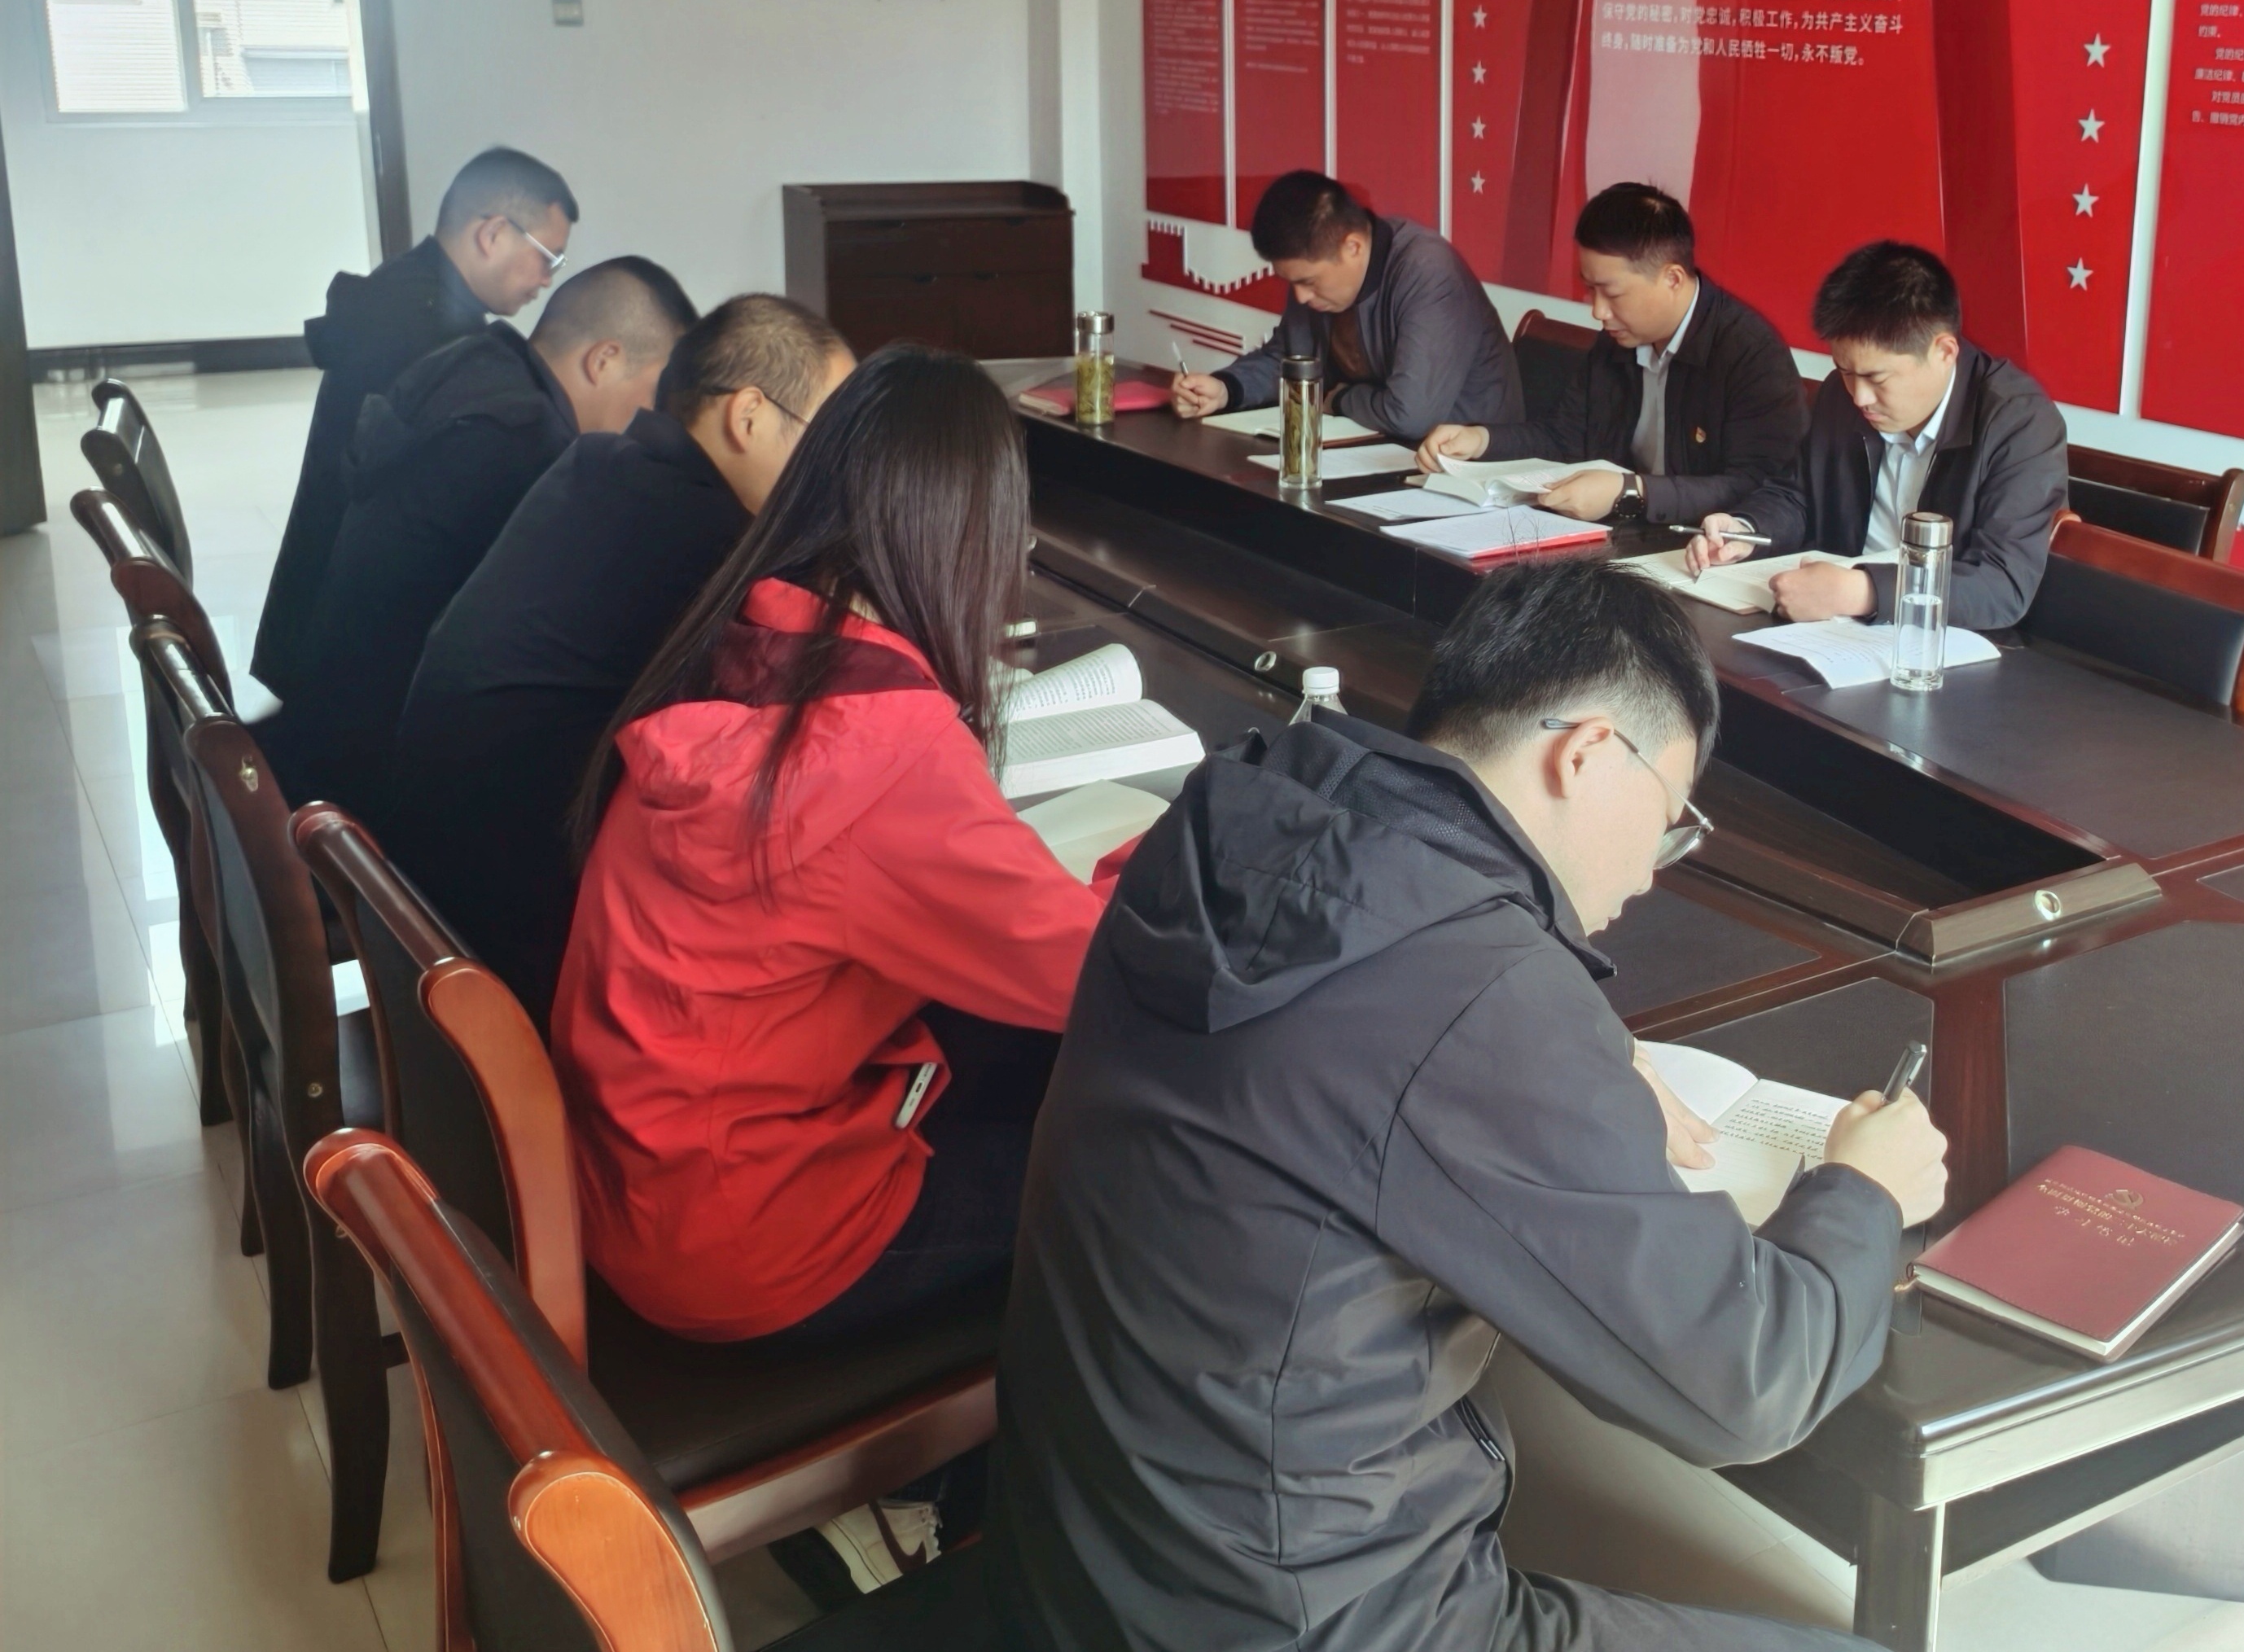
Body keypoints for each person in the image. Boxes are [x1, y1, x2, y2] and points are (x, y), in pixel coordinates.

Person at [987, 559, 1944, 1651]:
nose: (1652, 869)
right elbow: (1748, 1383)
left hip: (1082, 1563)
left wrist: (1567, 1041)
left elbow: (1364, 1048)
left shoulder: (1229, 822)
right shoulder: (1476, 995)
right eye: (1671, 817)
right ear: (1588, 753)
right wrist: (1863, 1191)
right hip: (1289, 1621)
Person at [552, 345, 1124, 1345]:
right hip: (749, 1244)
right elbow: (1105, 975)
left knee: (1015, 1064)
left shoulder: (749, 633)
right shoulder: (886, 750)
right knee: (1134, 1167)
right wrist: (1156, 853)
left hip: (637, 1185)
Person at [380, 294, 855, 1019]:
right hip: (521, 953)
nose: (838, 472)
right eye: (830, 440)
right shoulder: (707, 537)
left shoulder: (597, 461)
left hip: (430, 902)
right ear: (749, 416)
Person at [257, 256, 693, 824]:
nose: (657, 415)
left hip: (322, 736)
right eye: (657, 390)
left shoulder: (473, 366)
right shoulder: (530, 447)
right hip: (375, 803)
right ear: (604, 359)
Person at [256, 146, 578, 698]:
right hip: (350, 664)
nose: (547, 280)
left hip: (313, 614)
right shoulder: (435, 338)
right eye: (549, 256)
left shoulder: (402, 292)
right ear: (493, 234)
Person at [1685, 242, 2066, 631]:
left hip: (1944, 642)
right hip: (1832, 628)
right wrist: (1746, 530)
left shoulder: (2019, 422)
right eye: (1846, 371)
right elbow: (1798, 495)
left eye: (1876, 378)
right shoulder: (1840, 395)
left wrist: (1863, 592)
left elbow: (2002, 583)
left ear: (1944, 352)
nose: (1859, 397)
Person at [1416, 182, 1806, 525]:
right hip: (1620, 532)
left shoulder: (1750, 353)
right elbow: (1566, 437)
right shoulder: (1618, 339)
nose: (1599, 312)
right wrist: (1481, 440)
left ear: (1672, 278)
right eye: (1591, 291)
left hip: (1696, 547)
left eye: (1613, 294)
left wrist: (1632, 491)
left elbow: (1758, 487)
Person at [1170, 170, 1519, 440]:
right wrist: (1225, 389)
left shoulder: (1428, 272)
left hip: (1463, 470)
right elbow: (1289, 361)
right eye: (1292, 283)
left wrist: (1339, 399)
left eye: (1308, 282)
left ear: (1353, 247)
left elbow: (1411, 415)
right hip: (1376, 451)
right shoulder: (1318, 279)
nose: (1301, 297)